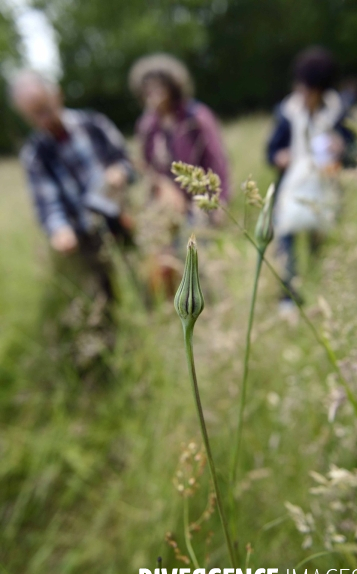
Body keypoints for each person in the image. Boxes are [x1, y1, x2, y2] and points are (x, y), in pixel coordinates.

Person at [10, 70, 135, 364]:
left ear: (56, 95)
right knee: (102, 300)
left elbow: (127, 161)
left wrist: (120, 172)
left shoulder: (93, 124)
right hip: (85, 237)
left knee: (145, 278)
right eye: (33, 114)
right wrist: (59, 230)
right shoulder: (35, 154)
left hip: (124, 218)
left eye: (44, 107)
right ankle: (116, 357)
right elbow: (48, 202)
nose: (43, 118)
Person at [128, 53, 230, 297]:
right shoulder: (147, 126)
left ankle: (211, 309)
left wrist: (219, 201)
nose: (153, 93)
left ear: (173, 86)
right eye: (147, 88)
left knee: (197, 260)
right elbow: (145, 166)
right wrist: (158, 186)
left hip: (197, 202)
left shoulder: (196, 117)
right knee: (160, 262)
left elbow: (217, 160)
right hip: (164, 205)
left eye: (158, 86)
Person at [266, 47, 357, 313]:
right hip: (290, 192)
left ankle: (321, 299)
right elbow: (271, 150)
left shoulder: (339, 114)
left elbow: (355, 156)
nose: (305, 94)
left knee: (320, 247)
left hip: (325, 190)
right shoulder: (286, 113)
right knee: (286, 245)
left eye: (311, 89)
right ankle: (289, 300)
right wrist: (279, 157)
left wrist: (342, 148)